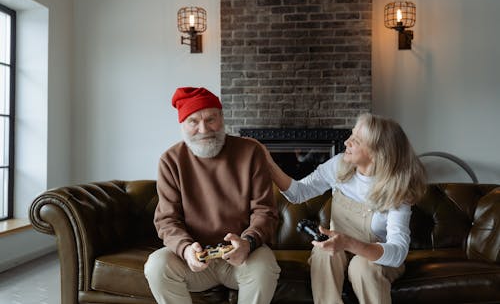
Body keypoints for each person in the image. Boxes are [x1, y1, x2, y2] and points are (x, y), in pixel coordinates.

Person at [262, 113, 426, 304]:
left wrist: (350, 243)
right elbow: (299, 193)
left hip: (375, 257)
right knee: (324, 253)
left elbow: (397, 253)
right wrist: (269, 165)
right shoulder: (339, 165)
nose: (347, 141)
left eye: (356, 140)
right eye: (351, 135)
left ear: (377, 152)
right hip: (338, 248)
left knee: (362, 266)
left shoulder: (398, 190)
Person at [144, 87, 280, 304]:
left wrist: (247, 242)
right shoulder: (170, 160)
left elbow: (265, 212)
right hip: (194, 260)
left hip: (242, 256)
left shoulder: (250, 151)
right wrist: (186, 249)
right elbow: (167, 220)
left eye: (210, 119)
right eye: (193, 121)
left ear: (222, 118)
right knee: (156, 265)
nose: (203, 128)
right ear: (183, 125)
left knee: (265, 265)